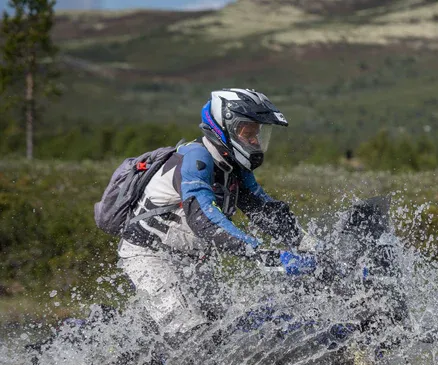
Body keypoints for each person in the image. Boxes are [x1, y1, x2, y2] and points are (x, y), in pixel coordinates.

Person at [117, 88, 318, 338]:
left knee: (224, 330)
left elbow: (266, 211)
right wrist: (262, 254)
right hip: (150, 255)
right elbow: (204, 220)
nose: (255, 142)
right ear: (225, 127)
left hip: (192, 260)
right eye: (248, 133)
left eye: (257, 134)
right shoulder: (196, 159)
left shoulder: (234, 168)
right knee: (193, 335)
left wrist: (311, 245)